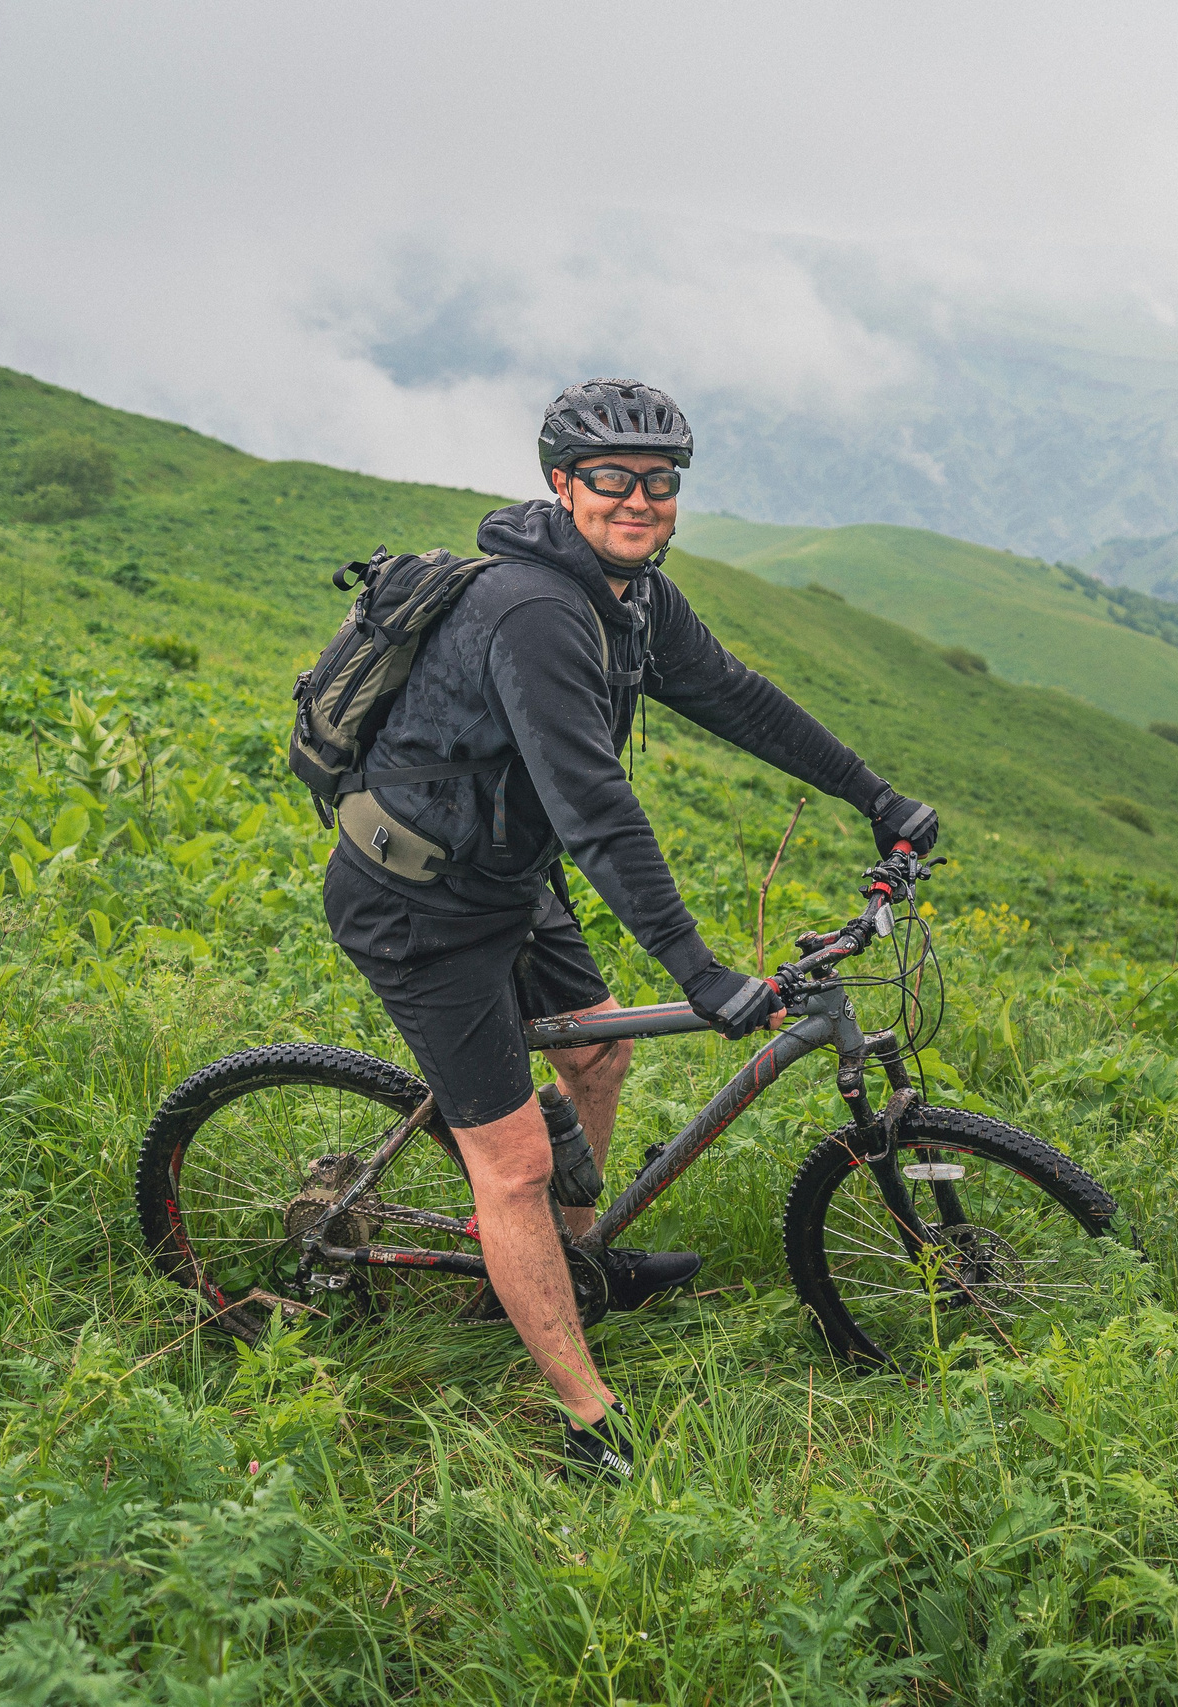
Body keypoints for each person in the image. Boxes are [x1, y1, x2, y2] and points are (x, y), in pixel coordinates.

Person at [320, 379, 937, 1478]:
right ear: (563, 485)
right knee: (507, 1161)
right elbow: (594, 809)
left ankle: (569, 1258)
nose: (639, 500)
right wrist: (696, 970)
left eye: (661, 483)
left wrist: (876, 798)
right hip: (416, 897)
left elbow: (739, 698)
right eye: (612, 480)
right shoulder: (533, 614)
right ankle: (587, 1422)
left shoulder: (632, 597)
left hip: (503, 878)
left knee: (598, 1049)